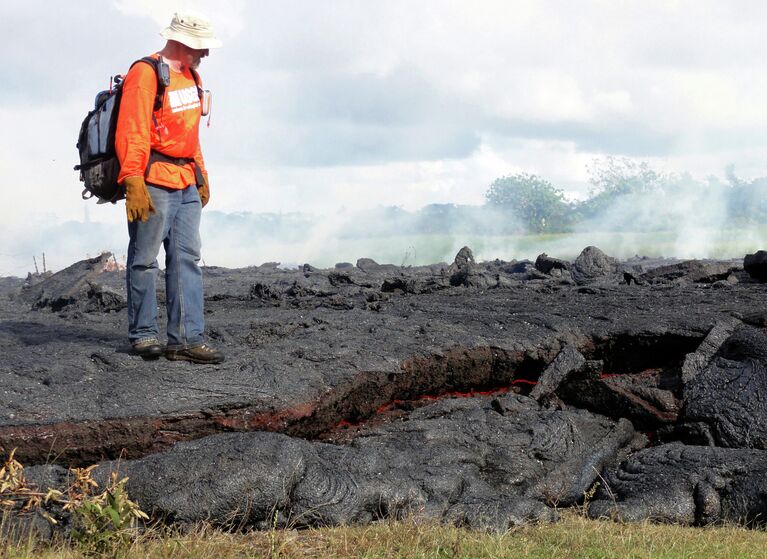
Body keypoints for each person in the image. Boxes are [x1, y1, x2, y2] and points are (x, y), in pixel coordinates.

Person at [115, 12, 224, 364]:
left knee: (187, 259)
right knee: (145, 260)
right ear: (182, 42)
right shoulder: (146, 74)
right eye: (200, 47)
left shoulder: (192, 76)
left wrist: (201, 176)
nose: (205, 53)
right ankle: (144, 335)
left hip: (185, 180)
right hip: (153, 181)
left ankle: (186, 339)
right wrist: (133, 179)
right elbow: (132, 130)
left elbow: (190, 136)